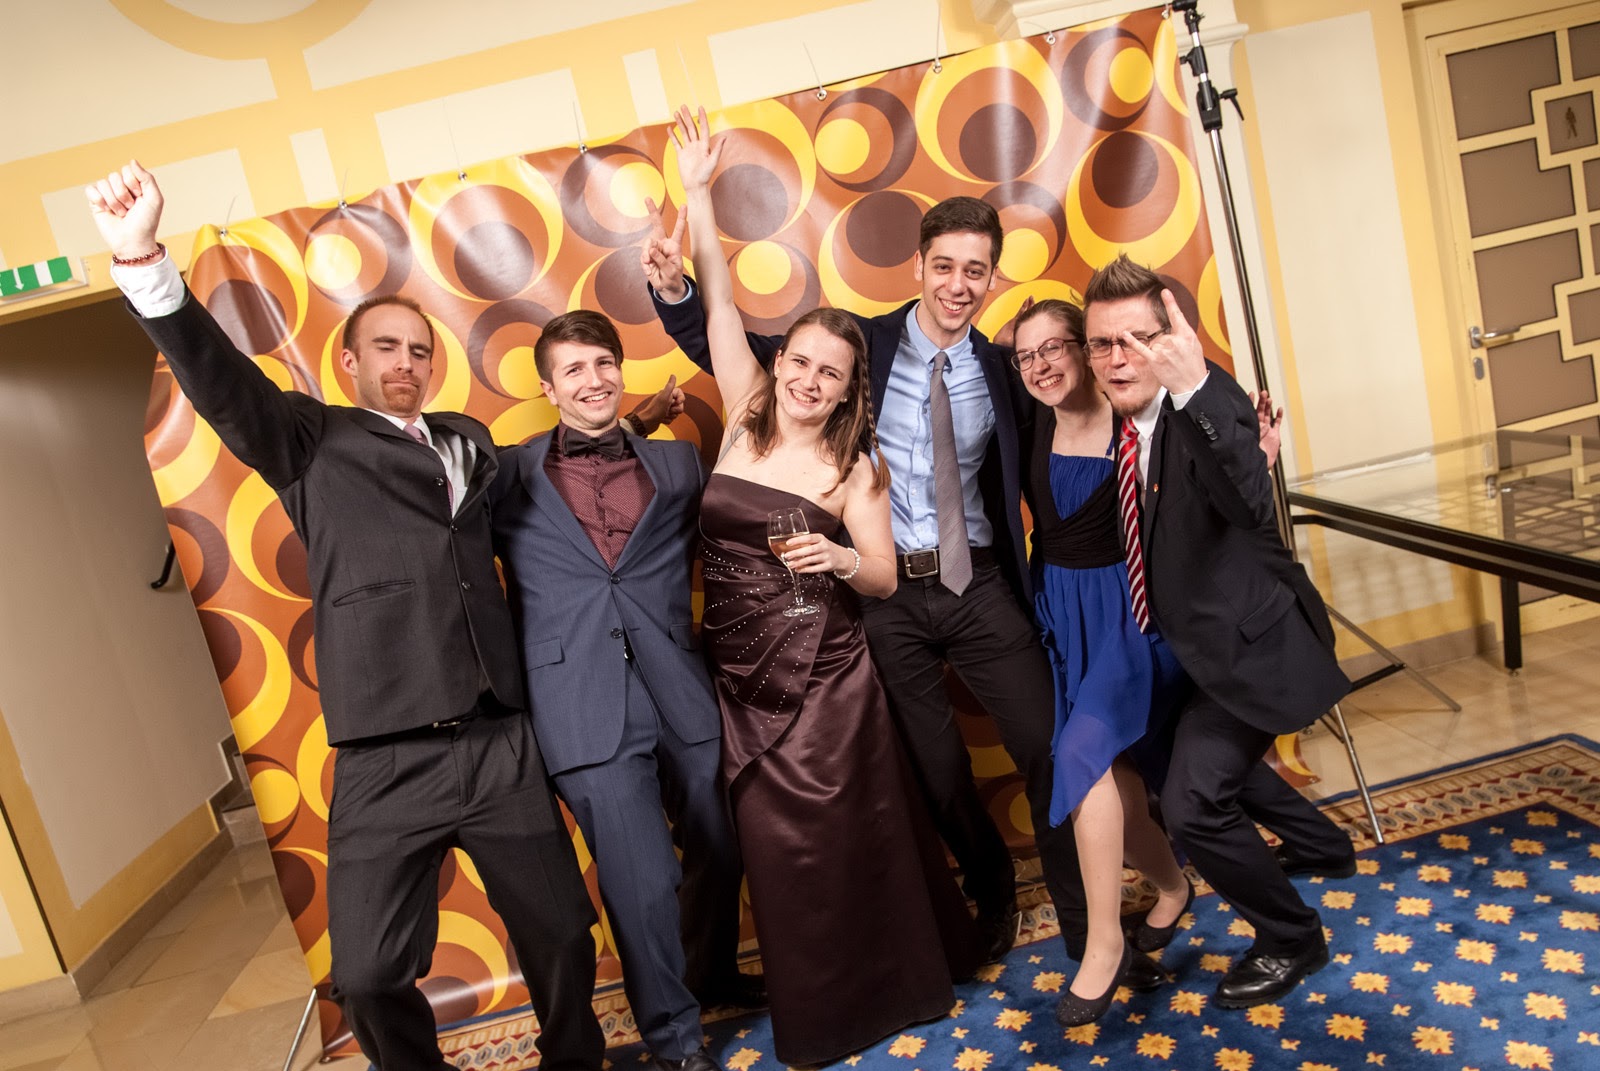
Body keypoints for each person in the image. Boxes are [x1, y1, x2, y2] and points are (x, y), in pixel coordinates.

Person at [84, 161, 669, 1071]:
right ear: (351, 363)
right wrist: (143, 261)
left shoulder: (470, 440)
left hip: (498, 738)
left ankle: (573, 1061)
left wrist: (647, 416)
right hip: (384, 754)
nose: (406, 362)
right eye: (386, 348)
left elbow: (547, 482)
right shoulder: (309, 440)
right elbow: (220, 380)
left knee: (561, 931)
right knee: (364, 975)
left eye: (419, 350)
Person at [646, 125, 1132, 991]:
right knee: (935, 771)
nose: (958, 284)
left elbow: (1082, 420)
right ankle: (991, 892)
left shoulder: (1007, 368)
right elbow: (734, 348)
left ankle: (1086, 926)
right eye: (944, 266)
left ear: (993, 279)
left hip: (979, 583)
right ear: (918, 267)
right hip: (885, 596)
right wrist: (679, 281)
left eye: (975, 270)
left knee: (1048, 745)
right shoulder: (855, 348)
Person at [643, 106, 982, 1066]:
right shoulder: (743, 410)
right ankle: (826, 1006)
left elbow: (883, 577)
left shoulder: (855, 469)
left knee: (854, 840)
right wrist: (698, 190)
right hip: (737, 678)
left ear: (846, 388)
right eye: (800, 360)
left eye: (831, 373)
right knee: (783, 856)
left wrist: (839, 561)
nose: (809, 380)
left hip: (829, 680)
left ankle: (897, 988)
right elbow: (717, 302)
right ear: (780, 361)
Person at [1080, 254, 1355, 1009]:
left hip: (1255, 647)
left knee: (1193, 802)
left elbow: (1248, 501)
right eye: (1102, 344)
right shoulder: (1124, 421)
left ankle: (1293, 937)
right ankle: (1325, 845)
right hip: (1193, 645)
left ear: (1170, 340)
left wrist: (1195, 387)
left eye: (1136, 340)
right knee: (1175, 753)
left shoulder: (1205, 397)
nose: (1117, 358)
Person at [489, 309, 761, 1071]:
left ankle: (710, 970)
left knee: (725, 841)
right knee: (644, 879)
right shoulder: (507, 473)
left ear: (620, 369)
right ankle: (674, 1037)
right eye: (573, 369)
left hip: (680, 684)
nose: (593, 379)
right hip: (579, 702)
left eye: (603, 363)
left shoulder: (678, 464)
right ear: (549, 389)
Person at [1010, 299, 1194, 1025]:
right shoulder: (1031, 421)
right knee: (1114, 780)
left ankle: (1105, 941)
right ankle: (1174, 888)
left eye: (1055, 347)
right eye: (1026, 355)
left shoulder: (1136, 419)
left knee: (1083, 757)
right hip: (1063, 614)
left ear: (1086, 350)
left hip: (1131, 617)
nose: (1041, 365)